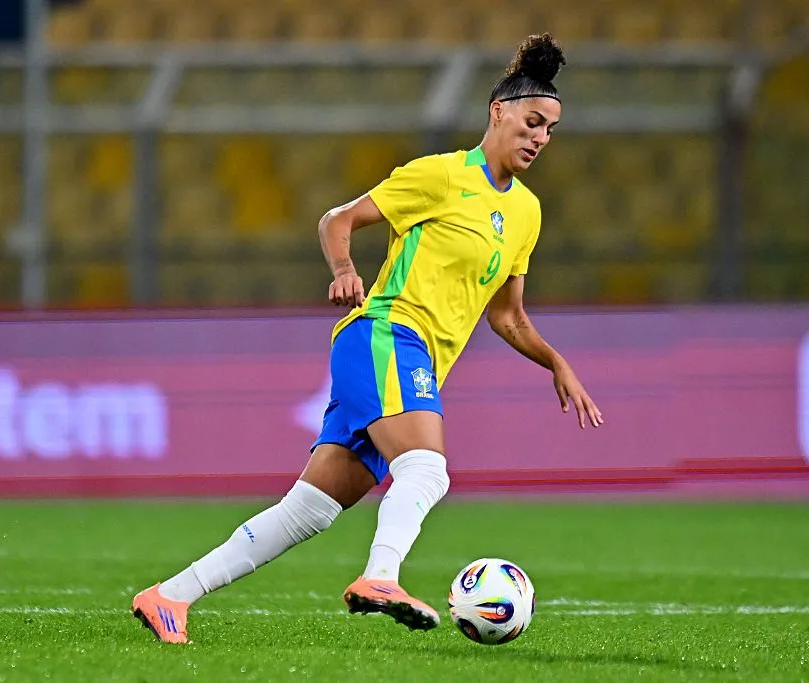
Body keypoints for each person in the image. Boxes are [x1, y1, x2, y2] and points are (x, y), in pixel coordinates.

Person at [131, 32, 603, 645]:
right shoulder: (440, 176)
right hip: (385, 334)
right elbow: (338, 220)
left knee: (310, 510)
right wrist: (346, 270)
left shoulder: (527, 214)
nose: (541, 138)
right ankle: (380, 578)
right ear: (499, 112)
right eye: (533, 122)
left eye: (551, 130)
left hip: (413, 361)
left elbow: (506, 316)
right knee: (428, 471)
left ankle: (169, 596)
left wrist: (556, 363)